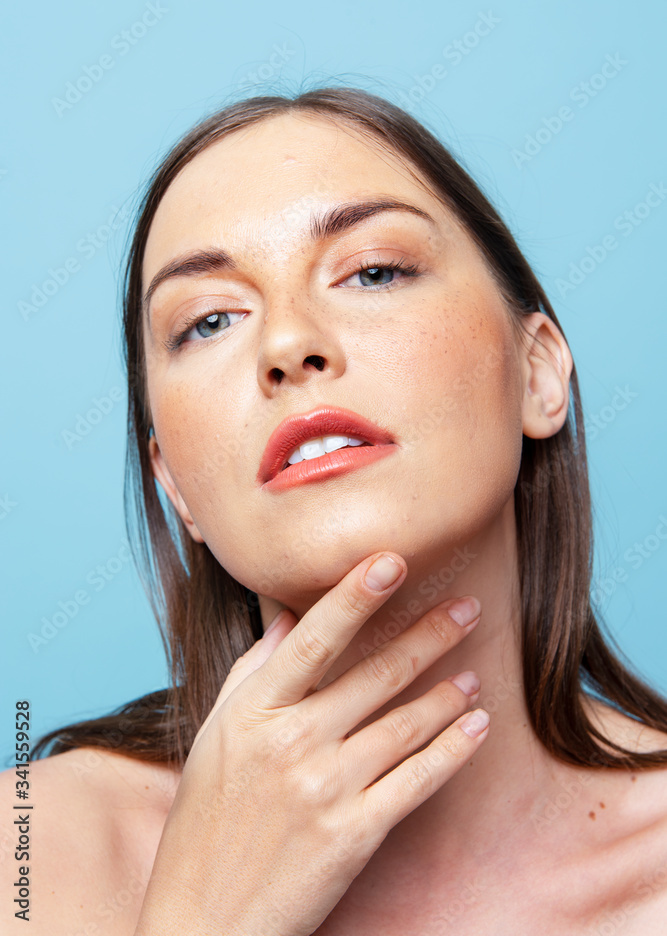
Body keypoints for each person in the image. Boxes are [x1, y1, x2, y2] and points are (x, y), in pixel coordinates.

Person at [3, 86, 667, 935]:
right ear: (176, 488)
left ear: (537, 371)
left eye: (374, 271)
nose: (287, 344)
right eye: (209, 321)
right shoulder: (28, 848)